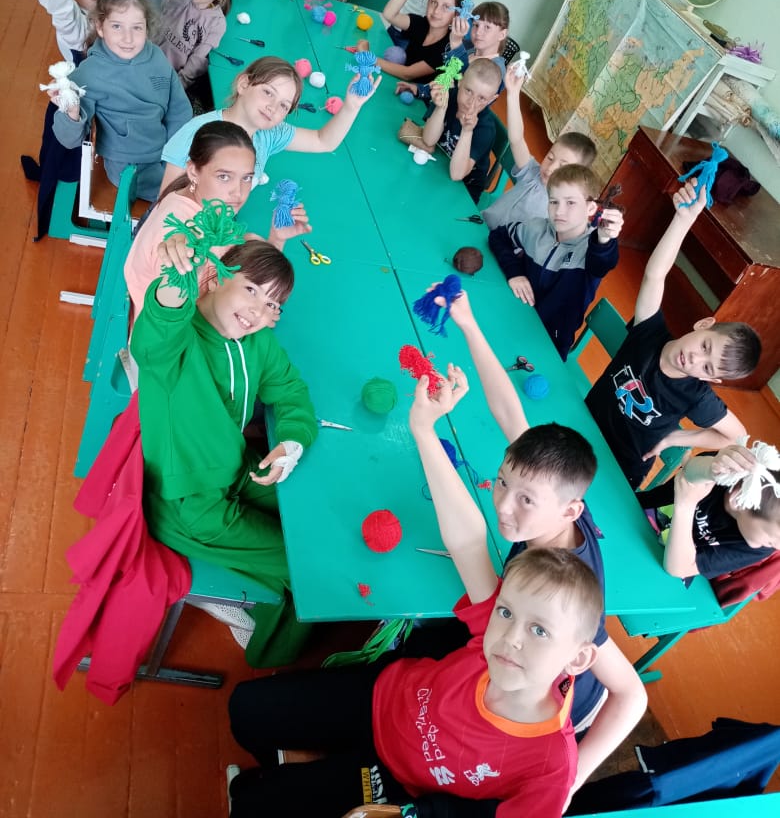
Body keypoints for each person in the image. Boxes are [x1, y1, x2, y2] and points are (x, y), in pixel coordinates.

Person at [227, 368, 602, 817]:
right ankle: (293, 764)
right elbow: (468, 542)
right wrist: (422, 428)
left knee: (253, 805)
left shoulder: (549, 768)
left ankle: (284, 777)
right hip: (382, 695)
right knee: (245, 709)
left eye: (539, 631)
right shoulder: (500, 623)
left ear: (579, 657)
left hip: (399, 777)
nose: (509, 638)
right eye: (504, 613)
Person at [402, 288, 648, 800]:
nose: (504, 506)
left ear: (569, 511)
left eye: (525, 500)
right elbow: (509, 412)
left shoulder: (563, 591)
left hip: (552, 693)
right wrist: (468, 323)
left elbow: (631, 694)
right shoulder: (558, 498)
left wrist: (570, 780)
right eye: (502, 484)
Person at [132, 236, 317, 666]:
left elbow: (291, 390)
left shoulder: (258, 342)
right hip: (190, 507)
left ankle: (249, 574)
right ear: (214, 277)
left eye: (272, 305)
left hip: (236, 472)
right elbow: (156, 330)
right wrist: (175, 281)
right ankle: (267, 653)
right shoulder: (177, 342)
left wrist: (292, 440)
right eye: (250, 289)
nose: (257, 311)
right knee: (308, 566)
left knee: (313, 511)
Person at [585, 182, 762, 499]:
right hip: (583, 422)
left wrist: (675, 439)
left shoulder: (696, 396)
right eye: (705, 347)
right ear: (704, 325)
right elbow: (655, 274)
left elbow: (737, 437)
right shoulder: (649, 330)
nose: (695, 359)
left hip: (619, 471)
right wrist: (682, 219)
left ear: (711, 379)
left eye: (707, 368)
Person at [124, 121, 310, 317]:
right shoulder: (181, 243)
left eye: (246, 178)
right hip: (170, 328)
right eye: (224, 177)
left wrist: (277, 238)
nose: (238, 192)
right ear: (193, 171)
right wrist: (258, 312)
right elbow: (183, 320)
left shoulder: (202, 204)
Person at [2, 0, 107, 237]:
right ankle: (58, 210)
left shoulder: (103, 13)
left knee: (57, 149)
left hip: (88, 100)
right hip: (74, 105)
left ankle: (60, 182)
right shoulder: (74, 24)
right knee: (66, 156)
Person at [51, 0, 192, 200]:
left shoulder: (156, 56)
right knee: (183, 196)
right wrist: (72, 113)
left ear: (147, 28)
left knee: (202, 177)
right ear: (100, 27)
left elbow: (179, 109)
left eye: (137, 27)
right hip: (128, 165)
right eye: (117, 26)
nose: (128, 38)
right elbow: (69, 140)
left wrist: (177, 153)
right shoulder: (88, 74)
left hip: (165, 150)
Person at [159, 55, 380, 192]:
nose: (273, 107)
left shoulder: (270, 133)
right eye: (268, 92)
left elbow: (323, 141)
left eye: (284, 105)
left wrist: (351, 106)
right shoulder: (197, 135)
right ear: (244, 84)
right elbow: (166, 207)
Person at [488, 164, 623, 360]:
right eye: (553, 201)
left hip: (549, 342)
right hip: (513, 312)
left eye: (570, 203)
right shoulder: (536, 228)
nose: (559, 211)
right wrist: (514, 273)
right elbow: (498, 237)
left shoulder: (591, 249)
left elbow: (603, 261)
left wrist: (604, 239)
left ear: (591, 208)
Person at [482, 67, 597, 231]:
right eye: (550, 157)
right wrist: (513, 94)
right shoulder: (532, 172)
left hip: (501, 246)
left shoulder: (560, 211)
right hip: (481, 226)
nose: (550, 168)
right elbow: (516, 139)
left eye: (562, 167)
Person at [662, 444, 780, 580]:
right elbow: (692, 468)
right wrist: (714, 467)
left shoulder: (762, 547)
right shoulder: (723, 472)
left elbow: (680, 568)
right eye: (773, 537)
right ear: (737, 500)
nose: (778, 547)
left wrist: (686, 505)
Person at [396, 0, 510, 108]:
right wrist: (419, 90)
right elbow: (446, 80)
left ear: (502, 34)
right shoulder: (470, 50)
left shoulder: (496, 70)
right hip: (433, 106)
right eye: (476, 25)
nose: (478, 32)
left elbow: (464, 98)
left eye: (487, 27)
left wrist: (456, 43)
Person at [421, 57, 502, 202]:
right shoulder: (449, 96)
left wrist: (467, 131)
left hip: (465, 189)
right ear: (460, 81)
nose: (471, 103)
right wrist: (441, 108)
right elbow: (428, 140)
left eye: (482, 98)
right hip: (438, 165)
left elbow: (456, 175)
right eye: (469, 91)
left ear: (491, 99)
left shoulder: (486, 129)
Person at [155, 0, 233, 94]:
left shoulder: (217, 23)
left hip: (173, 78)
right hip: (149, 58)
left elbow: (197, 59)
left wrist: (179, 86)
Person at [374, 0, 466, 82]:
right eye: (434, 2)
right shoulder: (421, 24)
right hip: (400, 84)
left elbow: (408, 74)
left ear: (456, 14)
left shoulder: (448, 46)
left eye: (446, 7)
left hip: (417, 92)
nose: (436, 11)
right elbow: (389, 14)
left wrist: (368, 57)